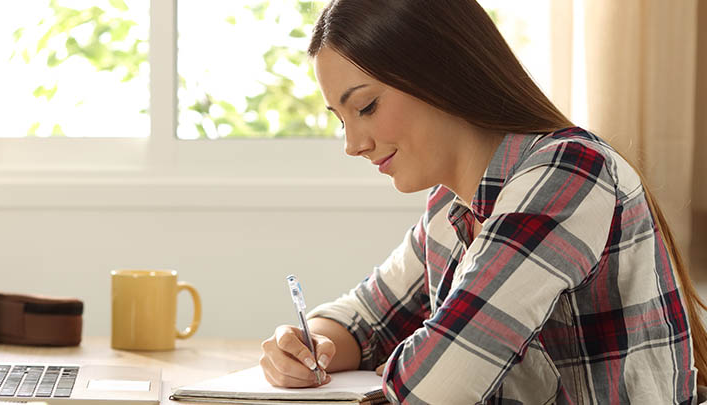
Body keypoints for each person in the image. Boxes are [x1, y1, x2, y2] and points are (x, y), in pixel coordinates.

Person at [259, 0, 707, 403]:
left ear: (439, 72)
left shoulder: (569, 172)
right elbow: (366, 318)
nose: (352, 144)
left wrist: (414, 362)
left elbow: (432, 389)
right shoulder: (449, 207)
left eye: (366, 107)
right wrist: (308, 345)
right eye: (340, 120)